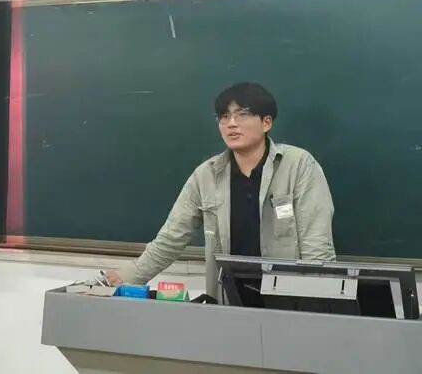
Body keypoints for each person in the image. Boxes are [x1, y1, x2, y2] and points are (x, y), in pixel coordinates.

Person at [104, 83, 336, 298]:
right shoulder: (206, 175)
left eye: (242, 114)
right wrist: (120, 280)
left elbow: (316, 246)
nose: (231, 123)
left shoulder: (298, 165)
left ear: (266, 122)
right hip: (228, 301)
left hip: (289, 302)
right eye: (224, 116)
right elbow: (170, 240)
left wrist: (319, 305)